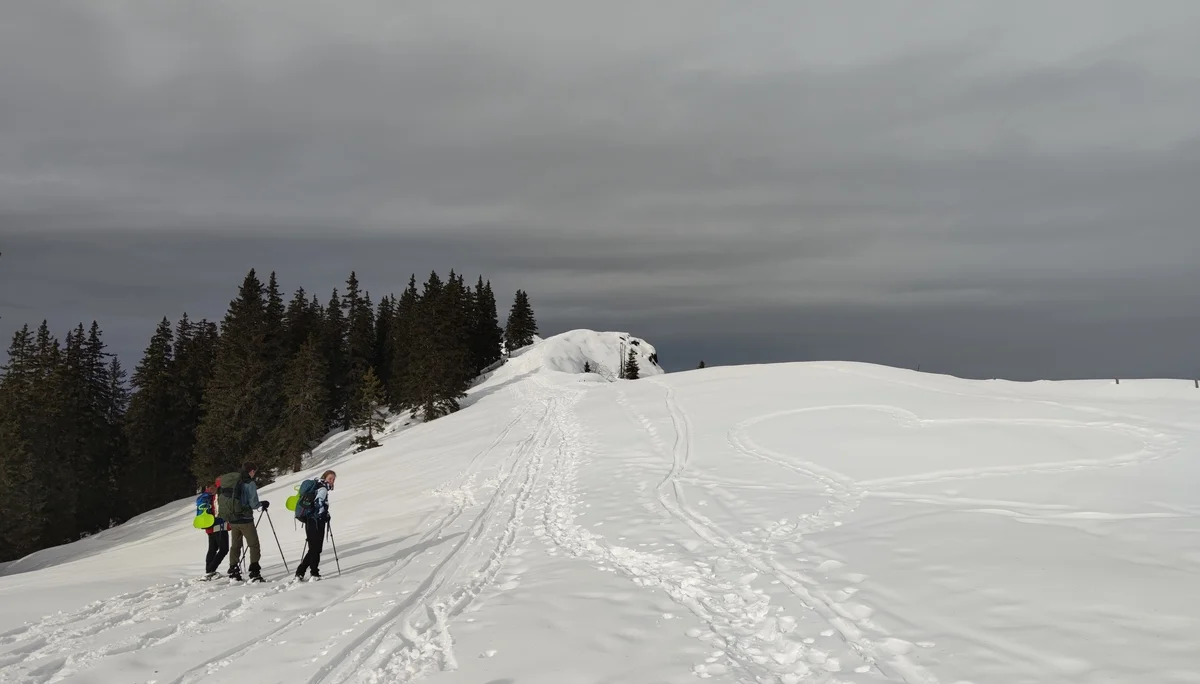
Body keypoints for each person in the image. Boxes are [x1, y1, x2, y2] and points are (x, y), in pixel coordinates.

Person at [217, 461, 269, 582]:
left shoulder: (234, 481)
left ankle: (233, 570)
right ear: (252, 471)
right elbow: (254, 504)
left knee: (235, 545)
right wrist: (262, 504)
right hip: (245, 519)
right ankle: (254, 572)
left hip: (232, 519)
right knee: (254, 545)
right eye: (254, 472)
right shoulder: (249, 483)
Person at [295, 470, 336, 581]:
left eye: (333, 479)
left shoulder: (317, 486)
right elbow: (319, 503)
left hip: (310, 520)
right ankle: (314, 573)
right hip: (317, 521)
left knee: (313, 548)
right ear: (325, 478)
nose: (332, 481)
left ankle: (301, 572)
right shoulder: (323, 489)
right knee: (316, 549)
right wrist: (324, 514)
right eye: (330, 478)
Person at [196, 483, 230, 579]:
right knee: (224, 549)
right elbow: (218, 512)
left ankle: (208, 571)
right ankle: (211, 569)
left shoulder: (203, 497)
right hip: (219, 525)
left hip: (208, 526)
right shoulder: (215, 496)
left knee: (212, 549)